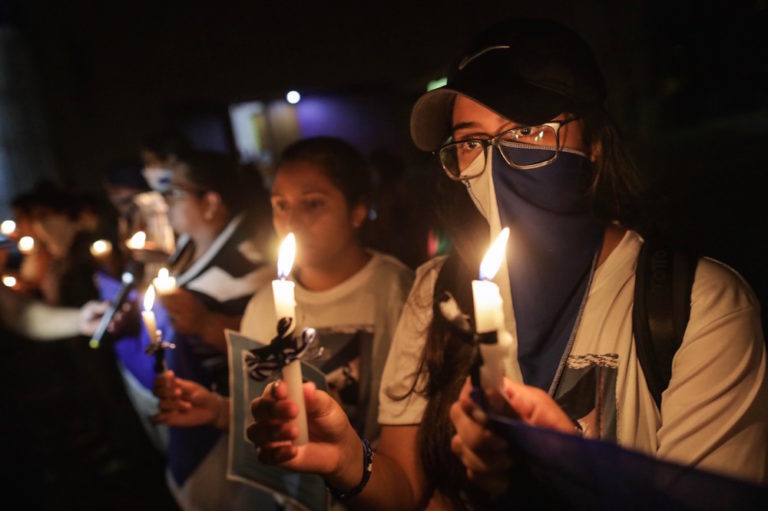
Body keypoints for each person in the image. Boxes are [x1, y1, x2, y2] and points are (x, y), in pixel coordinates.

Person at [246, 18, 768, 510]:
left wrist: (570, 475)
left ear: (596, 147)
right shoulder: (439, 291)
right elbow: (402, 485)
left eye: (529, 131)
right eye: (472, 141)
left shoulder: (697, 304)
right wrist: (347, 460)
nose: (495, 164)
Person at [151, 136, 415, 510]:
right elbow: (264, 410)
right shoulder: (263, 307)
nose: (291, 221)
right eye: (280, 205)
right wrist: (219, 410)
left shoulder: (399, 292)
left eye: (313, 204)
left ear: (358, 210)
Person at [151, 148, 273, 510]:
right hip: (191, 407)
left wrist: (205, 325)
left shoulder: (247, 269)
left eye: (174, 193)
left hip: (226, 426)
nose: (166, 204)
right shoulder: (185, 247)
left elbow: (269, 347)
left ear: (210, 203)